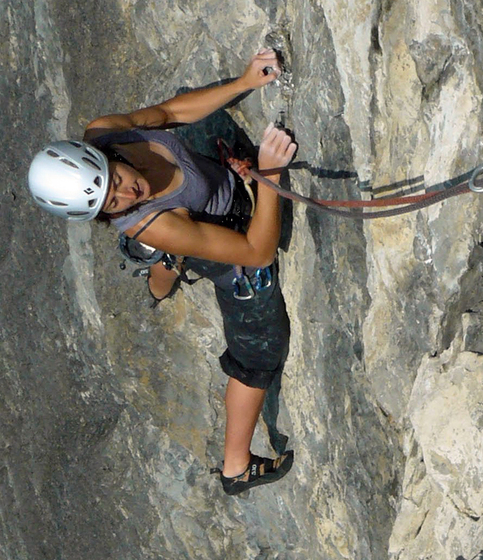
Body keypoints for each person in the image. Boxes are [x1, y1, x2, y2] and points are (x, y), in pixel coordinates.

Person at [27, 48, 297, 495]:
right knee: (259, 348)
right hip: (222, 234)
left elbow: (170, 113)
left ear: (101, 154)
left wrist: (244, 82)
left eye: (115, 179)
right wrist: (268, 177)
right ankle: (236, 466)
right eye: (111, 204)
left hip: (210, 177)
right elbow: (257, 251)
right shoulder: (151, 220)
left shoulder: (106, 131)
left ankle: (161, 260)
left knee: (196, 114)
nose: (127, 193)